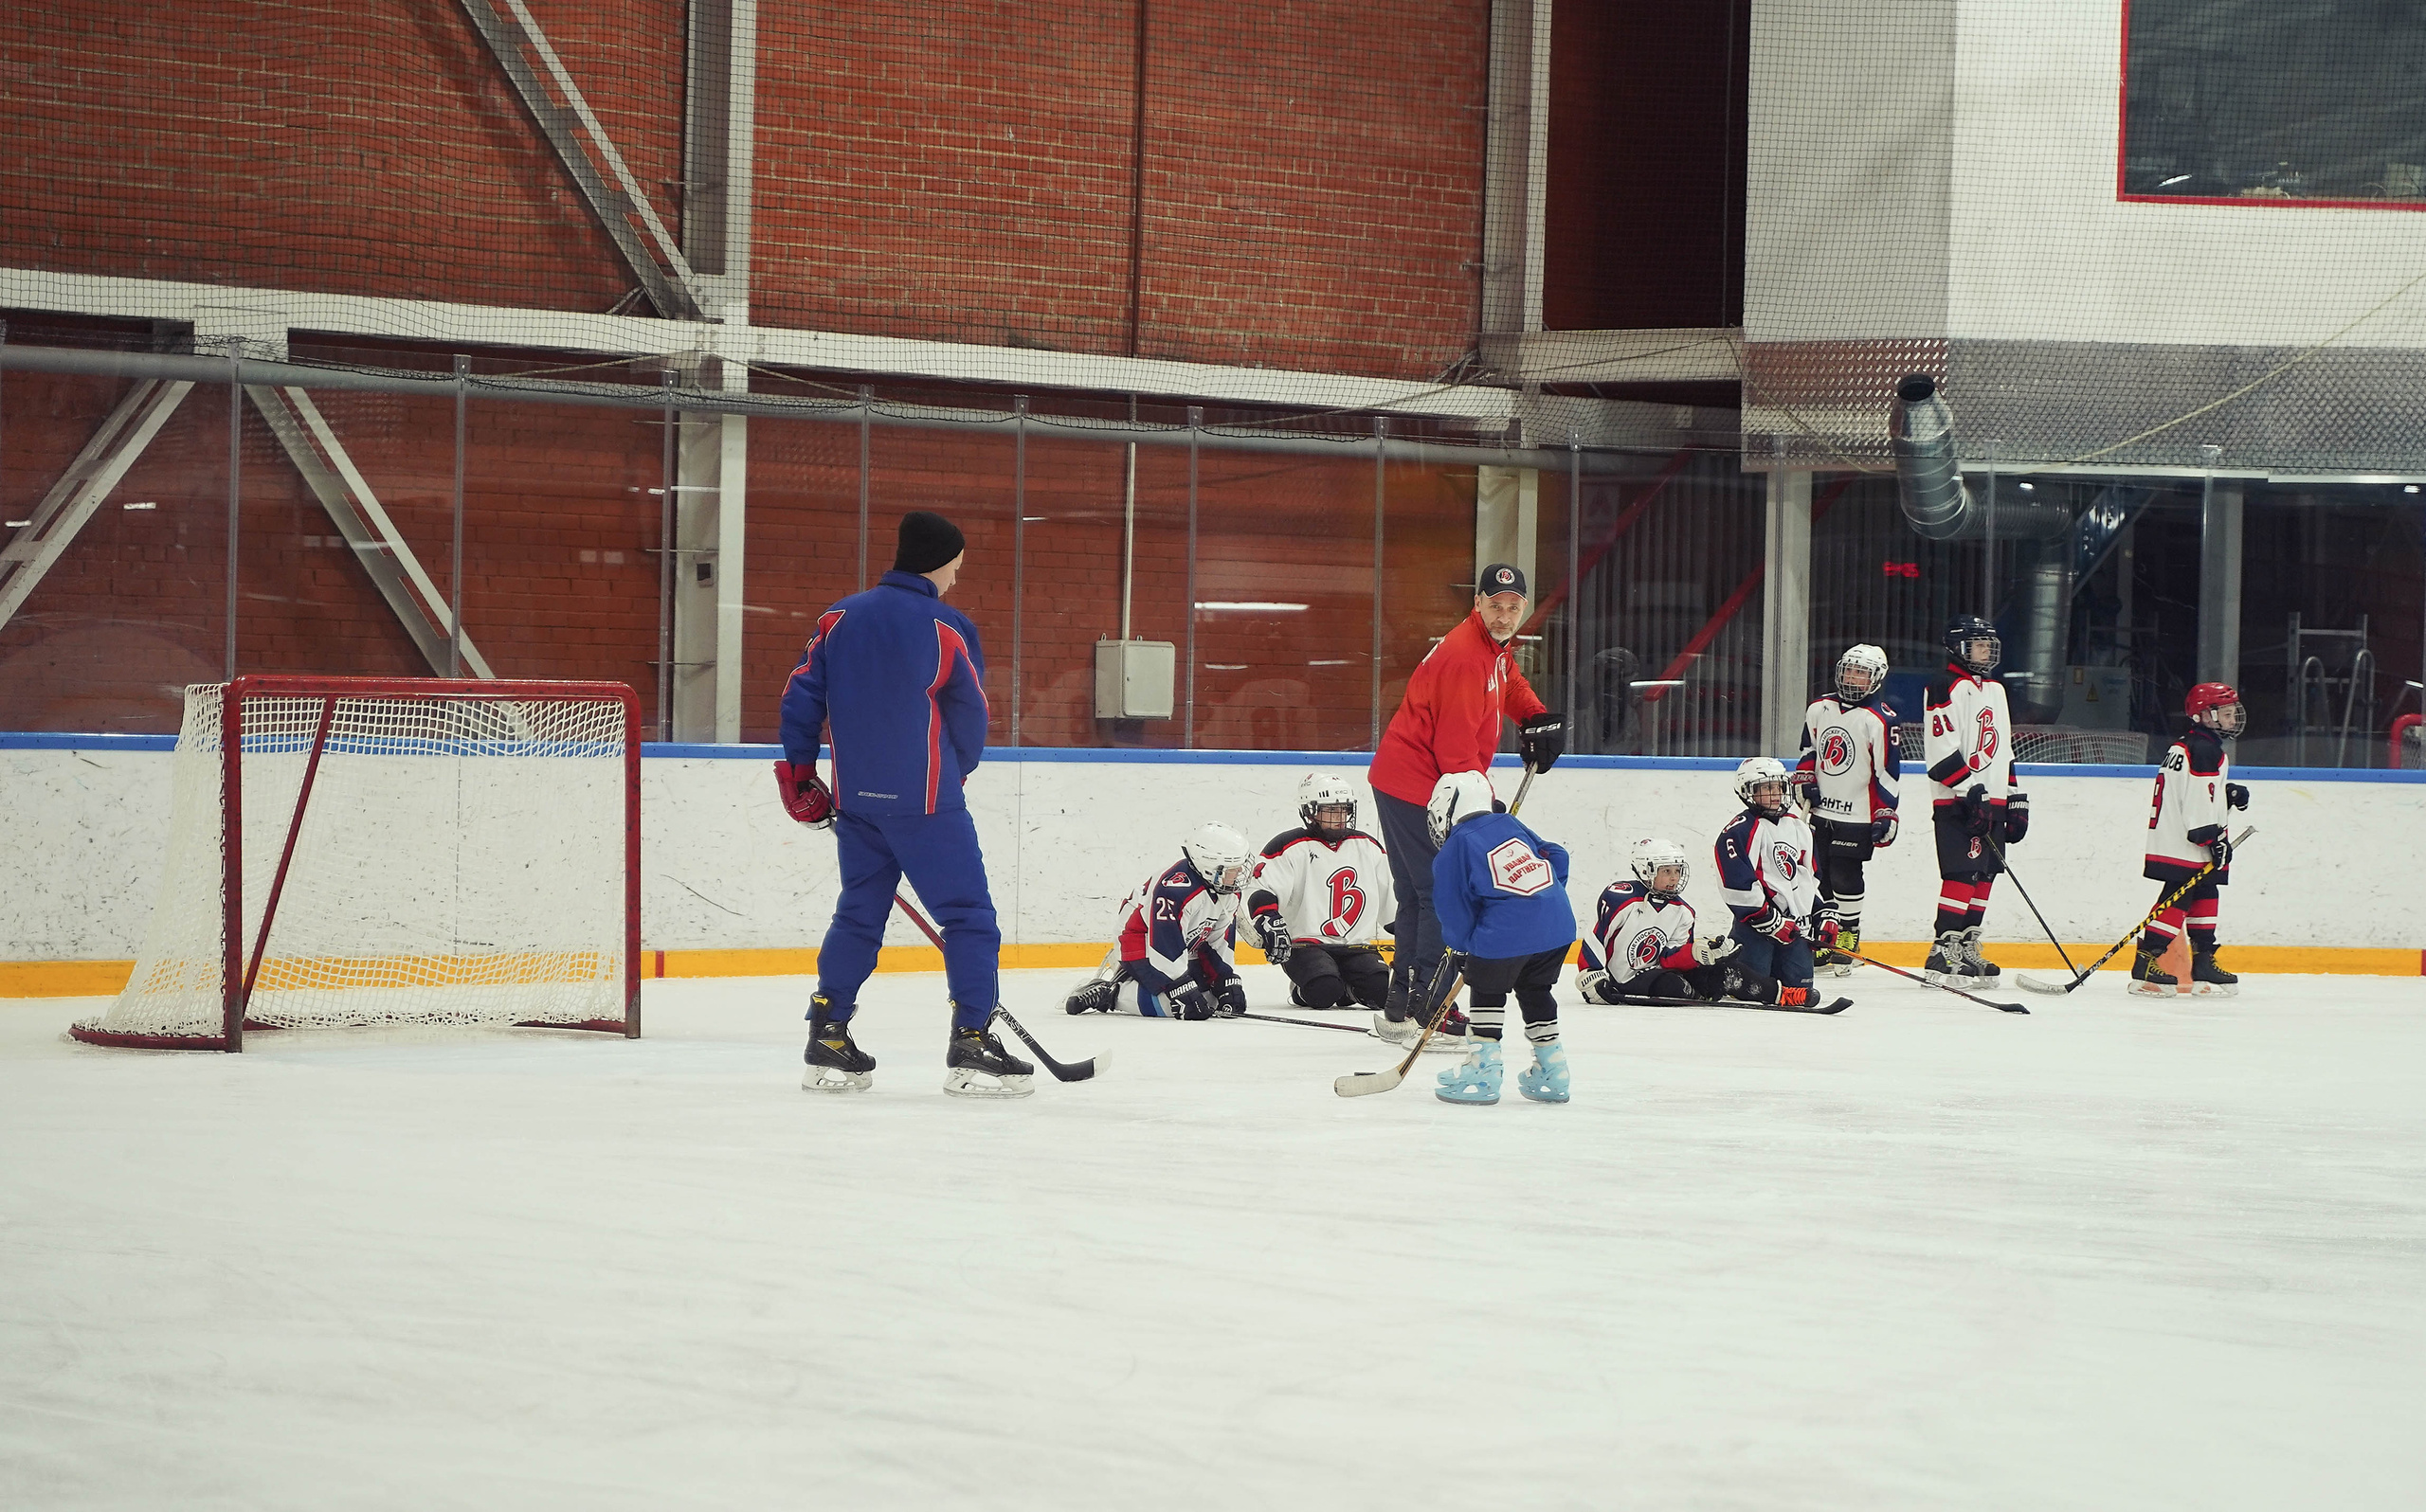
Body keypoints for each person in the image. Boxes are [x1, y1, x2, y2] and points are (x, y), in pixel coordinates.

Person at [777, 510, 1035, 1097]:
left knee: (859, 912)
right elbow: (972, 712)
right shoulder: (948, 626)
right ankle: (973, 1043)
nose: (956, 579)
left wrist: (799, 778)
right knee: (969, 917)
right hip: (926, 803)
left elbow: (801, 697)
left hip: (857, 802)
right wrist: (956, 773)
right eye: (957, 568)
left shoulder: (839, 617)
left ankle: (828, 1035)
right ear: (940, 562)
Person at [1365, 562, 1565, 1038]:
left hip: (1405, 780)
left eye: (1513, 607)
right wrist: (1482, 808)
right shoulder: (1463, 657)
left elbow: (1510, 682)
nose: (1504, 615)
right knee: (1439, 894)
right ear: (1477, 604)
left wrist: (1535, 717)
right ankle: (1426, 1008)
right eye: (1495, 606)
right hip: (1421, 784)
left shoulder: (1490, 647)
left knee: (1418, 894)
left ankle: (1403, 1010)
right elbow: (1454, 752)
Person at [1421, 770, 1576, 1107]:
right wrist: (1546, 897)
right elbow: (1557, 856)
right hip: (1557, 927)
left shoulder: (1454, 848)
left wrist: (1463, 947)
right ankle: (1553, 1070)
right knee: (1536, 990)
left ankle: (1482, 1071)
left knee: (1488, 993)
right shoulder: (1510, 824)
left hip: (1506, 933)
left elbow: (1453, 908)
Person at [1574, 837, 1827, 1009]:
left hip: (1662, 972)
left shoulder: (1683, 911)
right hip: (1623, 981)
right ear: (1646, 870)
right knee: (1674, 985)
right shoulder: (1620, 896)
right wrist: (1591, 978)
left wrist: (1699, 954)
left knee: (1729, 971)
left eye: (1677, 871)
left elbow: (1669, 957)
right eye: (1666, 871)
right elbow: (1596, 938)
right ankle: (1700, 992)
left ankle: (1783, 995)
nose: (1674, 879)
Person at [1920, 616, 2026, 984]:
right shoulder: (1943, 686)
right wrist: (1970, 790)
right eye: (1978, 644)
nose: (1986, 650)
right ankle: (1942, 948)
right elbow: (1939, 752)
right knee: (1962, 872)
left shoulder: (1995, 690)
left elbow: (2004, 749)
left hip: (1991, 799)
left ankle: (1967, 943)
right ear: (1957, 647)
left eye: (1988, 644)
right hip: (1958, 800)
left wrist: (2014, 796)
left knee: (1986, 873)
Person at [1062, 823, 1253, 1019]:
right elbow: (1163, 945)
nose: (1239, 872)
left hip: (1183, 943)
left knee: (1211, 1001)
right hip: (1138, 940)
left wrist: (1224, 979)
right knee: (1173, 1005)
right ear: (1211, 868)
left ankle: (1137, 988)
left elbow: (1219, 938)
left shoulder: (1228, 889)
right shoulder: (1173, 889)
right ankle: (1112, 993)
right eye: (1233, 867)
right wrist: (1178, 985)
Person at [1242, 773, 1396, 1012]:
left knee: (1380, 992)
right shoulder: (1289, 846)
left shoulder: (1368, 846)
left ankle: (1346, 989)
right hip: (1306, 947)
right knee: (1323, 992)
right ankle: (1302, 988)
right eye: (1330, 811)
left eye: (1343, 810)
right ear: (1310, 812)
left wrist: (1407, 932)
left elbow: (1392, 899)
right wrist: (1269, 918)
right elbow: (1262, 890)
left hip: (1356, 945)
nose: (1339, 818)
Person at [2134, 682, 2251, 996]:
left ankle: (2203, 962)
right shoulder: (2203, 750)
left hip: (2178, 837)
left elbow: (2197, 793)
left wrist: (2228, 794)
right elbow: (2198, 803)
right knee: (2179, 896)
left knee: (2206, 891)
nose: (2231, 719)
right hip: (2186, 842)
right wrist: (2212, 838)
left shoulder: (2191, 746)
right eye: (2225, 713)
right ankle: (2147, 958)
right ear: (2204, 716)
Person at [1795, 642, 1900, 976]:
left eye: (1862, 672)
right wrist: (1804, 777)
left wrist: (1887, 811)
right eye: (1850, 670)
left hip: (1858, 814)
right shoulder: (1819, 708)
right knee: (1820, 875)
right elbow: (1810, 750)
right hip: (1821, 812)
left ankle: (1849, 936)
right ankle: (1826, 938)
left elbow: (1887, 771)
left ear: (1876, 678)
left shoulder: (1879, 719)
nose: (1854, 678)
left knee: (1846, 874)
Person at [1715, 757, 1820, 992]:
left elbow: (1808, 878)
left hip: (1793, 928)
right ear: (1747, 791)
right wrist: (1766, 918)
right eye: (1765, 788)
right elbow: (1736, 884)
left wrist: (1821, 912)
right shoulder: (1739, 831)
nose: (1775, 794)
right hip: (1756, 927)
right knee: (1751, 989)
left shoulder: (1798, 828)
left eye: (1778, 787)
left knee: (1801, 990)